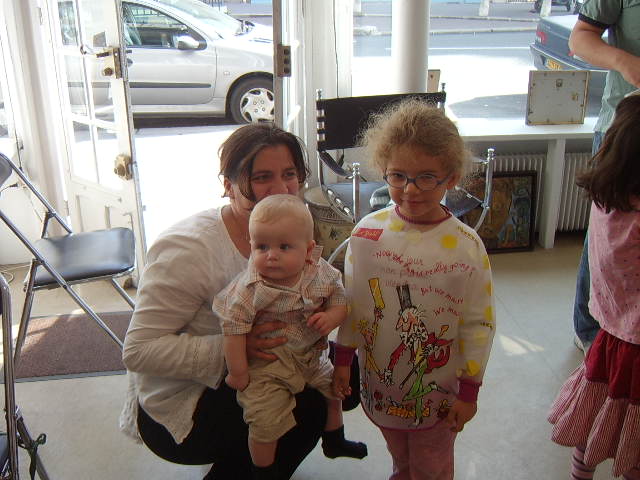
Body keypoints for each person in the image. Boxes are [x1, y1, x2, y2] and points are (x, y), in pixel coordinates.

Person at [119, 123, 360, 480]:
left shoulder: (291, 226)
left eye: (289, 174)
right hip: (187, 399)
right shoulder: (187, 249)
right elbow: (138, 351)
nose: (281, 189)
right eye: (262, 177)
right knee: (304, 405)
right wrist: (236, 348)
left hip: (277, 360)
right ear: (228, 185)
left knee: (347, 377)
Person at [332, 99, 496, 479]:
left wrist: (469, 391)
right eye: (397, 176)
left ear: (451, 177)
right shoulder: (366, 234)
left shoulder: (467, 247)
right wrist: (343, 359)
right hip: (382, 387)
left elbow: (479, 323)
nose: (410, 189)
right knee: (402, 458)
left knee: (431, 466)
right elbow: (353, 304)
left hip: (439, 392)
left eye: (426, 177)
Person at [214, 194, 367, 479]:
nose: (271, 255)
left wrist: (332, 317)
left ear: (308, 250)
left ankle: (334, 439)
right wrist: (238, 372)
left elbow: (340, 298)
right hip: (268, 366)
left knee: (333, 392)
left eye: (283, 247)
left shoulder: (319, 271)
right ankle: (264, 471)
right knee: (264, 422)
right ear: (251, 245)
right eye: (261, 246)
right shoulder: (249, 289)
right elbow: (233, 330)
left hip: (311, 356)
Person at [547, 94, 640, 480]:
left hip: (609, 332)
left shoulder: (606, 201)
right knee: (633, 434)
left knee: (594, 416)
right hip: (636, 345)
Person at [568, 0, 640, 353]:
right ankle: (594, 334)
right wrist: (624, 62)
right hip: (630, 132)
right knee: (609, 242)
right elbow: (580, 38)